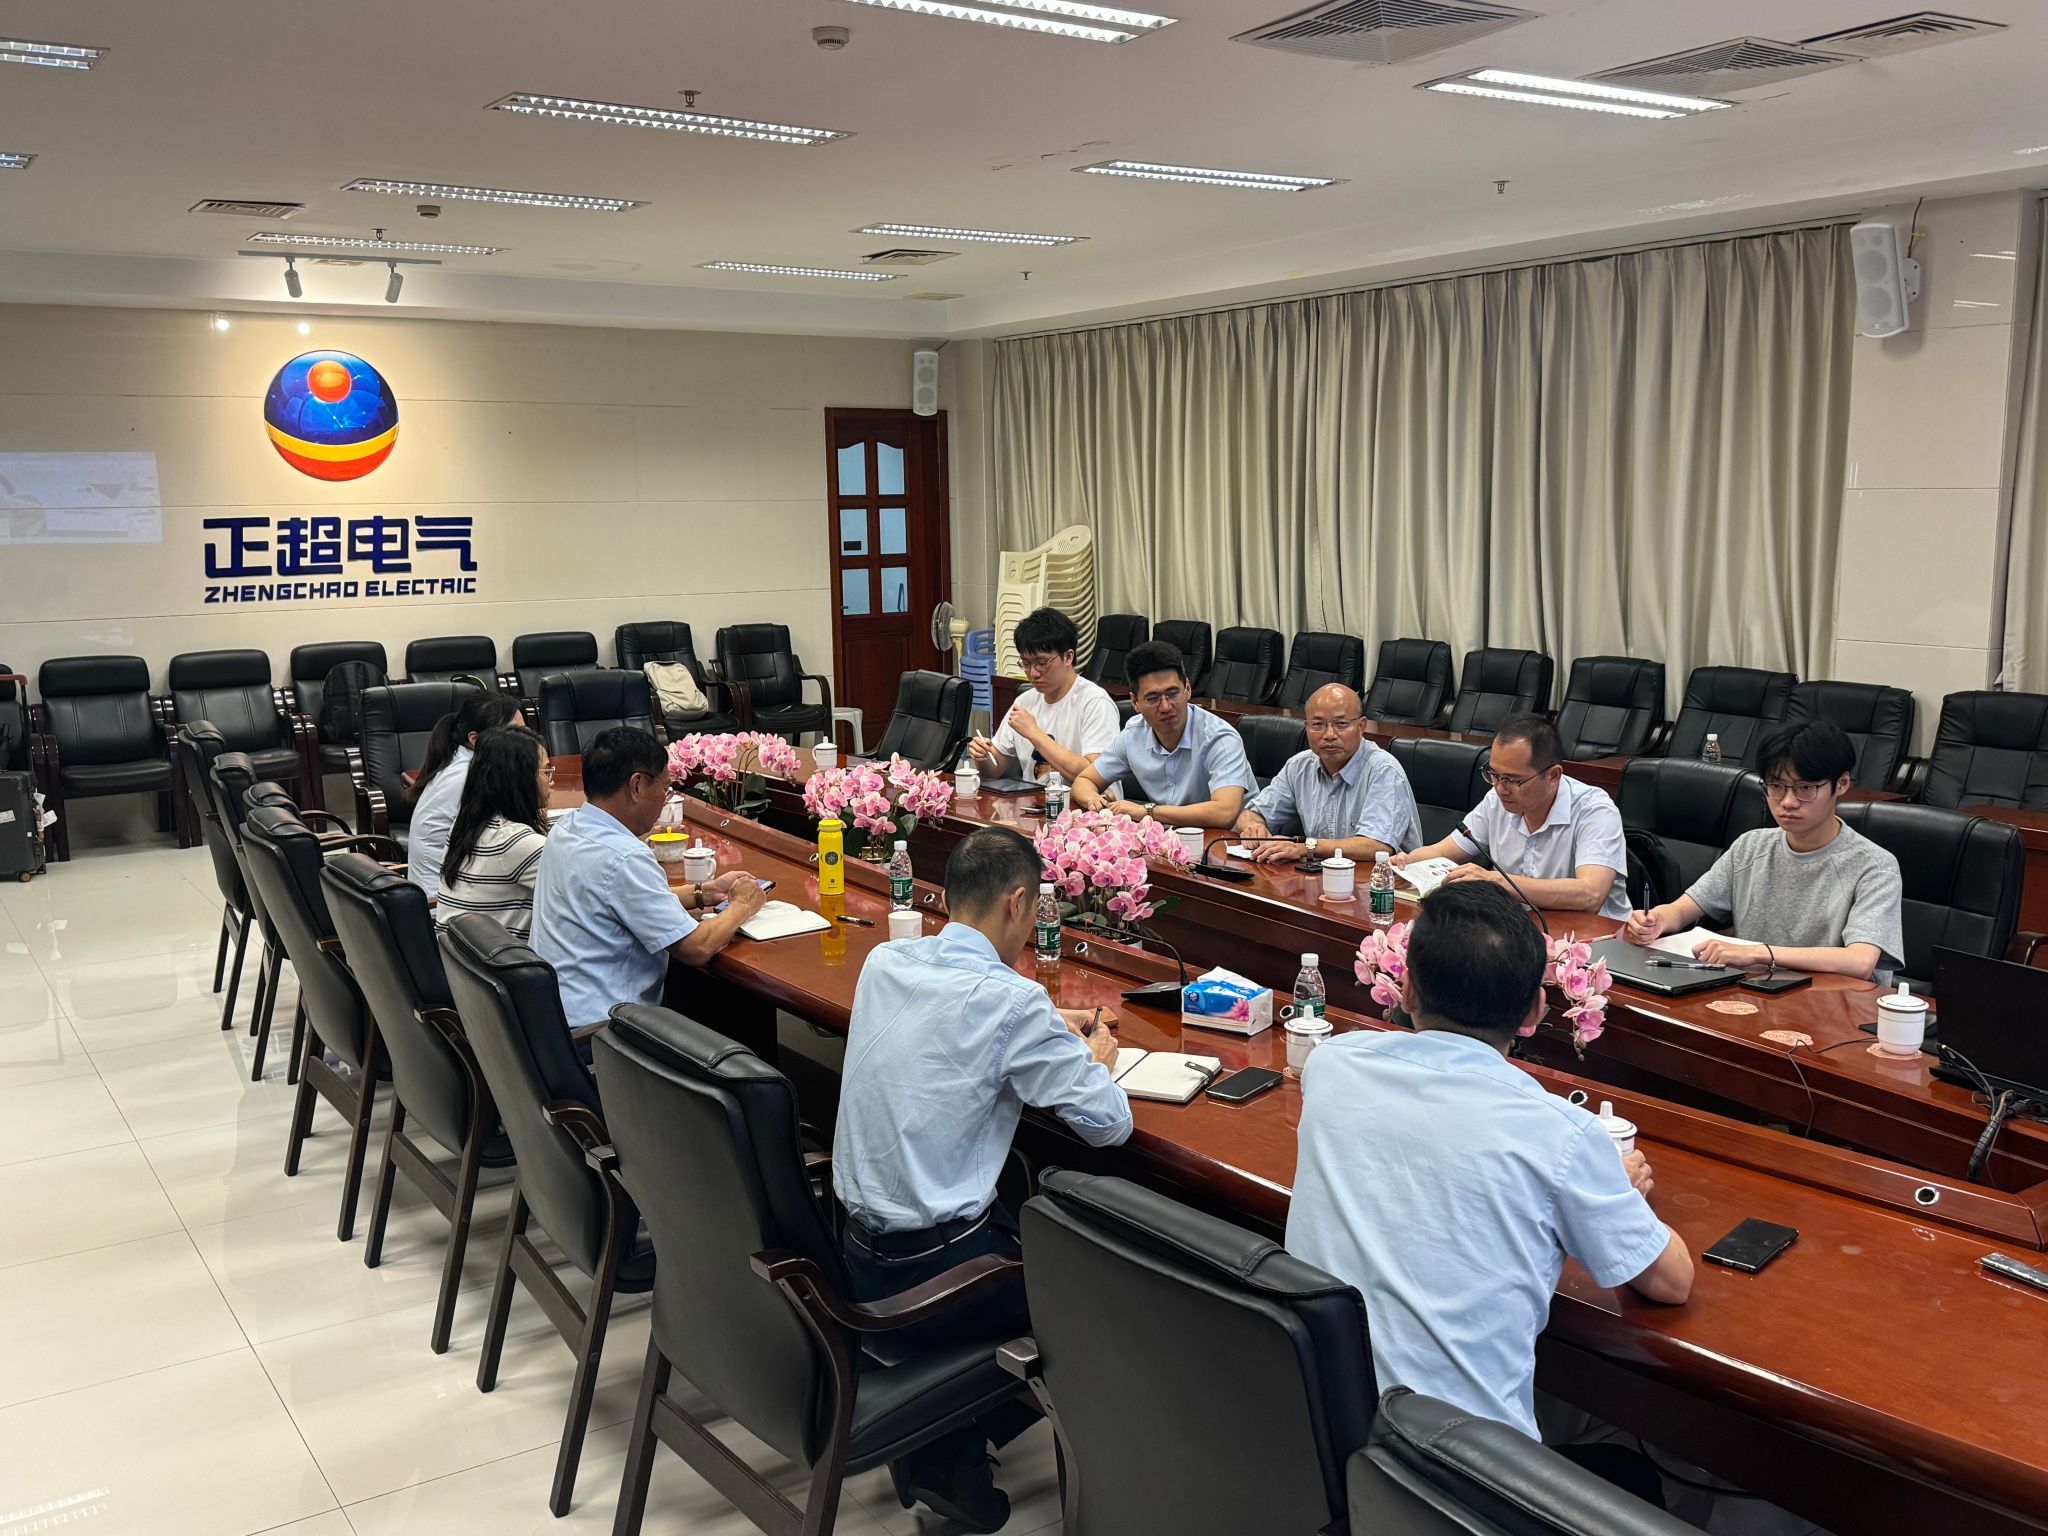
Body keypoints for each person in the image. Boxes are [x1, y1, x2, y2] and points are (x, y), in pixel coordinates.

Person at [1288, 880, 1694, 1452]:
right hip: (1464, 1470)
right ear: (1535, 1011)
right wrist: (1614, 1188)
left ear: (1407, 990)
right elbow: (1672, 1283)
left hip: (1318, 1430)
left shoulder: (1330, 1064)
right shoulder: (1562, 1135)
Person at [834, 825, 1127, 1531]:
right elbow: (1108, 1125)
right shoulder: (1012, 1004)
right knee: (1108, 1306)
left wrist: (1047, 1021)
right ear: (1017, 902)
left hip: (853, 1256)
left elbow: (959, 1014)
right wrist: (1097, 1059)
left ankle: (942, 1444)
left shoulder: (885, 960)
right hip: (940, 1274)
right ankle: (942, 1446)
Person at [1624, 720, 1903, 979]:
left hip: (1836, 1002)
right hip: (1756, 992)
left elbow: (1860, 961)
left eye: (1805, 788)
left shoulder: (1874, 865)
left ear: (1841, 784)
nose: (1788, 802)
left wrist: (1759, 952)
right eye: (1776, 786)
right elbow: (1683, 909)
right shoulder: (1751, 846)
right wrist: (1657, 920)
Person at [530, 726, 766, 1027]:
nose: (665, 800)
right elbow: (696, 948)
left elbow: (620, 900)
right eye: (665, 789)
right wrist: (743, 904)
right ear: (637, 786)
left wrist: (704, 892)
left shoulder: (566, 828)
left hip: (554, 1016)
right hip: (602, 1032)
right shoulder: (624, 856)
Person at [1393, 713, 1629, 921]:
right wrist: (1407, 864)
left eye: (1513, 780)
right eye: (1494, 775)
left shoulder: (1594, 810)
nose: (1500, 789)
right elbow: (1442, 851)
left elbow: (1590, 894)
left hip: (1596, 939)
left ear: (1553, 776)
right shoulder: (1496, 801)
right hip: (1520, 928)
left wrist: (1496, 882)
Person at [1070, 641, 1254, 831]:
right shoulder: (1133, 734)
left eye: (1173, 694)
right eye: (1153, 698)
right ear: (1135, 702)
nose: (1165, 707)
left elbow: (1225, 813)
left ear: (1188, 689)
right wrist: (1096, 801)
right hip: (1169, 839)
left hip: (1227, 841)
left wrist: (1147, 811)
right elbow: (1084, 781)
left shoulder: (1219, 738)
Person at [1235, 683, 1423, 863]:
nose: (1329, 734)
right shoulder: (1299, 766)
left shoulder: (1383, 770)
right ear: (1306, 727)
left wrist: (1305, 848)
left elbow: (1376, 846)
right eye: (1318, 724)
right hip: (1322, 875)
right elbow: (1251, 814)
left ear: (1361, 726)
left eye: (1341, 724)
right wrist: (1254, 827)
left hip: (1382, 880)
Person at [967, 606, 1121, 785]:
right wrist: (983, 756)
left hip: (1087, 803)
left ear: (1068, 657)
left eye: (1041, 663)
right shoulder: (1025, 701)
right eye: (1026, 664)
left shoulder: (1095, 703)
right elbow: (995, 769)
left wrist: (1034, 733)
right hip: (1034, 800)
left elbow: (1096, 776)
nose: (1033, 673)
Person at [435, 725, 553, 939]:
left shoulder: (464, 824)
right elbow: (584, 897)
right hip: (498, 959)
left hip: (456, 955)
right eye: (546, 771)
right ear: (521, 779)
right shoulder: (519, 844)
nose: (551, 780)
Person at [407, 691, 523, 902]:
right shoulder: (470, 777)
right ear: (475, 739)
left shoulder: (461, 762)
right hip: (439, 904)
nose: (526, 742)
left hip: (449, 888)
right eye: (514, 734)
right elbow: (509, 839)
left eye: (524, 732)